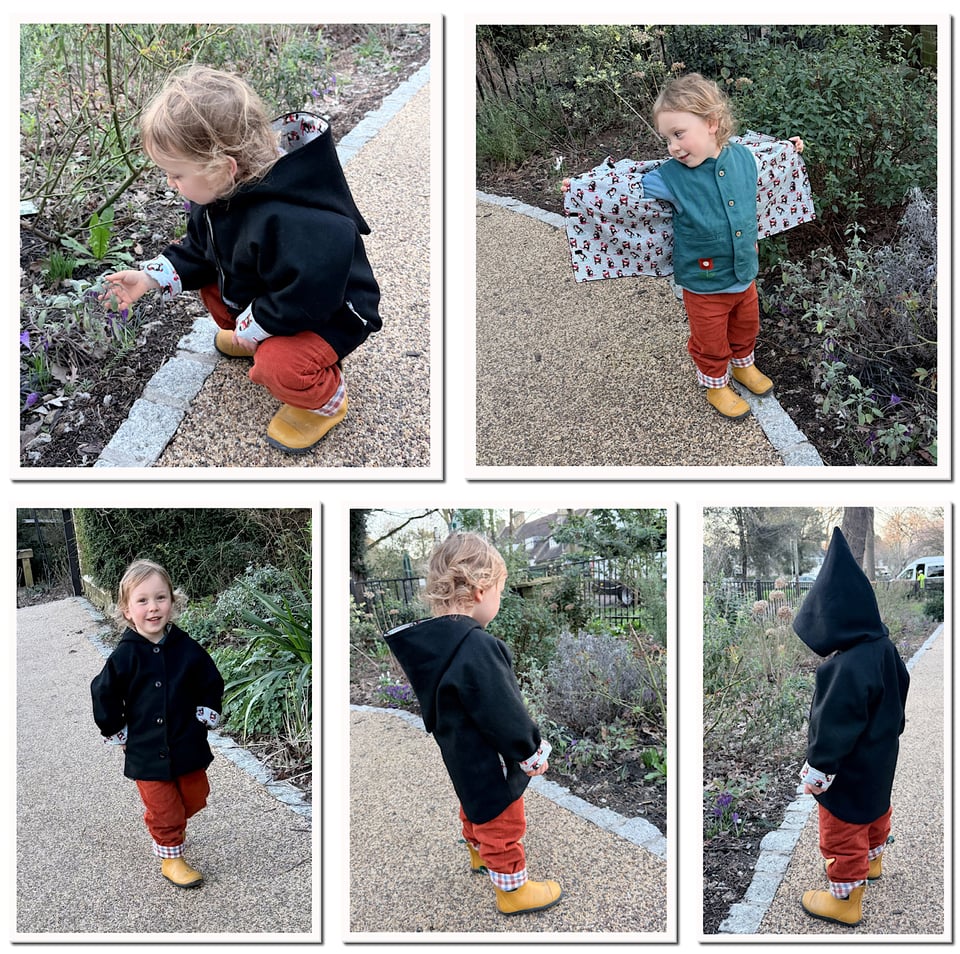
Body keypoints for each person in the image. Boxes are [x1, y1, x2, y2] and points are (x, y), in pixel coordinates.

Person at [101, 65, 382, 453]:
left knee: (277, 367)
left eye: (176, 174)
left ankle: (325, 400)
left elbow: (310, 296)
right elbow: (201, 252)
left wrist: (258, 326)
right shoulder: (219, 196)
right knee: (213, 288)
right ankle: (261, 339)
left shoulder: (300, 220)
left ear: (222, 168)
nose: (170, 183)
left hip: (330, 311)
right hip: (278, 296)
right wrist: (148, 279)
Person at [564, 72, 806, 420]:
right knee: (710, 340)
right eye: (667, 139)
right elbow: (623, 187)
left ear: (712, 123)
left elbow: (770, 160)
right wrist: (581, 187)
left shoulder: (743, 158)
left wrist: (788, 147)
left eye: (679, 134)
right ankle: (716, 384)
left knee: (746, 325)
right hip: (703, 283)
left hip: (744, 273)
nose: (673, 147)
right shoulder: (668, 177)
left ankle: (743, 366)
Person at [384, 533, 562, 916]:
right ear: (481, 590)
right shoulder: (476, 647)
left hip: (460, 751)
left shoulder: (434, 646)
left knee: (473, 799)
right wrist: (530, 751)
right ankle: (512, 889)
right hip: (487, 754)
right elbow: (504, 711)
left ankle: (478, 851)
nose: (499, 598)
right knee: (503, 814)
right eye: (500, 589)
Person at [792, 527, 910, 927]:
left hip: (849, 770)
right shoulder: (884, 648)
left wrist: (819, 771)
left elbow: (833, 727)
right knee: (875, 813)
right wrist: (892, 730)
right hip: (881, 759)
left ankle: (846, 898)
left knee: (841, 827)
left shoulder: (844, 668)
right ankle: (872, 865)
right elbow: (900, 692)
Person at [91, 559, 225, 889]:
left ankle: (167, 824)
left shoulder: (186, 647)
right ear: (126, 610)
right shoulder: (124, 656)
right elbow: (102, 692)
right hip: (146, 751)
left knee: (195, 796)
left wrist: (206, 711)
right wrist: (116, 729)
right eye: (142, 600)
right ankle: (171, 857)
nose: (153, 608)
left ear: (172, 602)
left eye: (160, 598)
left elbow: (210, 679)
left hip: (186, 741)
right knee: (166, 809)